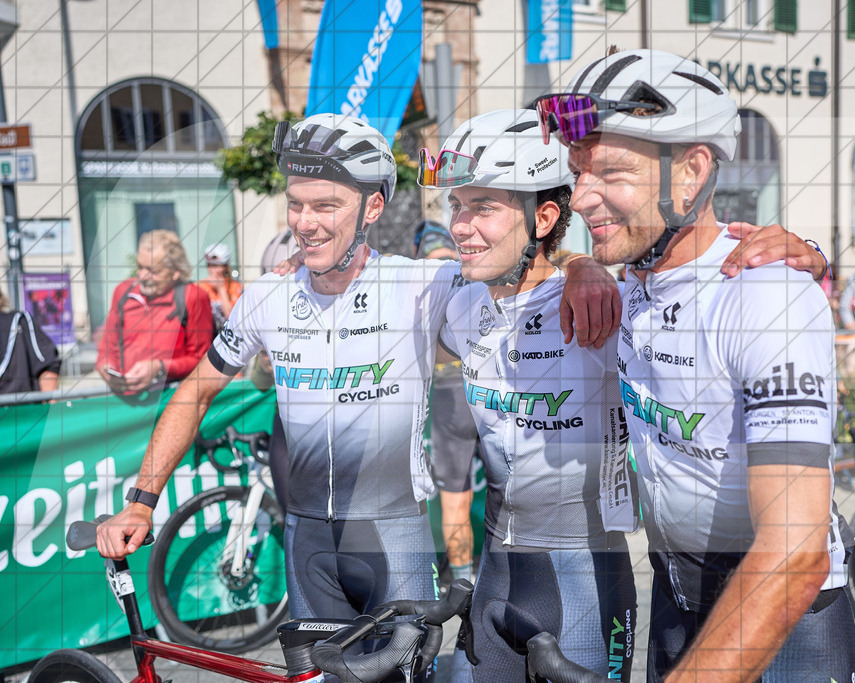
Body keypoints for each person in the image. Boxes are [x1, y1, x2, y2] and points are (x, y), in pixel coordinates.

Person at [94, 114, 619, 657]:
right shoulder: (266, 297)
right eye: (296, 204)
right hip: (307, 549)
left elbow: (523, 269)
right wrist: (140, 500)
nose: (305, 222)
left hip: (395, 544)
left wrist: (583, 266)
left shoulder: (420, 286)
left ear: (372, 207)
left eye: (325, 206)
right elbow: (195, 392)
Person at [536, 48, 855, 680]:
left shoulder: (767, 296)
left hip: (783, 618)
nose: (580, 198)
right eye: (577, 174)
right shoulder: (630, 283)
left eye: (610, 173)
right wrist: (579, 265)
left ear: (691, 173)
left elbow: (796, 550)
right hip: (676, 592)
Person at [421, 109, 639, 680]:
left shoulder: (599, 309)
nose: (461, 226)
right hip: (498, 568)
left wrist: (588, 267)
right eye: (458, 207)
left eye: (484, 208)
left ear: (543, 217)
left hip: (586, 574)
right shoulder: (461, 300)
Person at [413, 218, 479, 587]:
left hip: (451, 388)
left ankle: (464, 587)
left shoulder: (421, 275)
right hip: (487, 381)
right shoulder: (471, 265)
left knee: (456, 500)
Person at [95, 229, 214, 396]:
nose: (143, 276)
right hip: (124, 402)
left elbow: (202, 360)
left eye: (153, 271)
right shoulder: (123, 292)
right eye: (140, 267)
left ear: (176, 272)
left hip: (171, 399)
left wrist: (159, 367)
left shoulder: (193, 297)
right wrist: (107, 368)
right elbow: (107, 346)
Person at [0, 288, 60, 395]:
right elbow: (48, 365)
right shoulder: (21, 322)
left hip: (21, 408)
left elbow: (47, 364)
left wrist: (50, 407)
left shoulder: (19, 322)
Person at [197, 243, 243, 329]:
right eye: (209, 265)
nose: (212, 270)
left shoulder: (235, 287)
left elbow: (233, 319)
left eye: (216, 266)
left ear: (226, 267)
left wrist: (221, 290)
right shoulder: (199, 286)